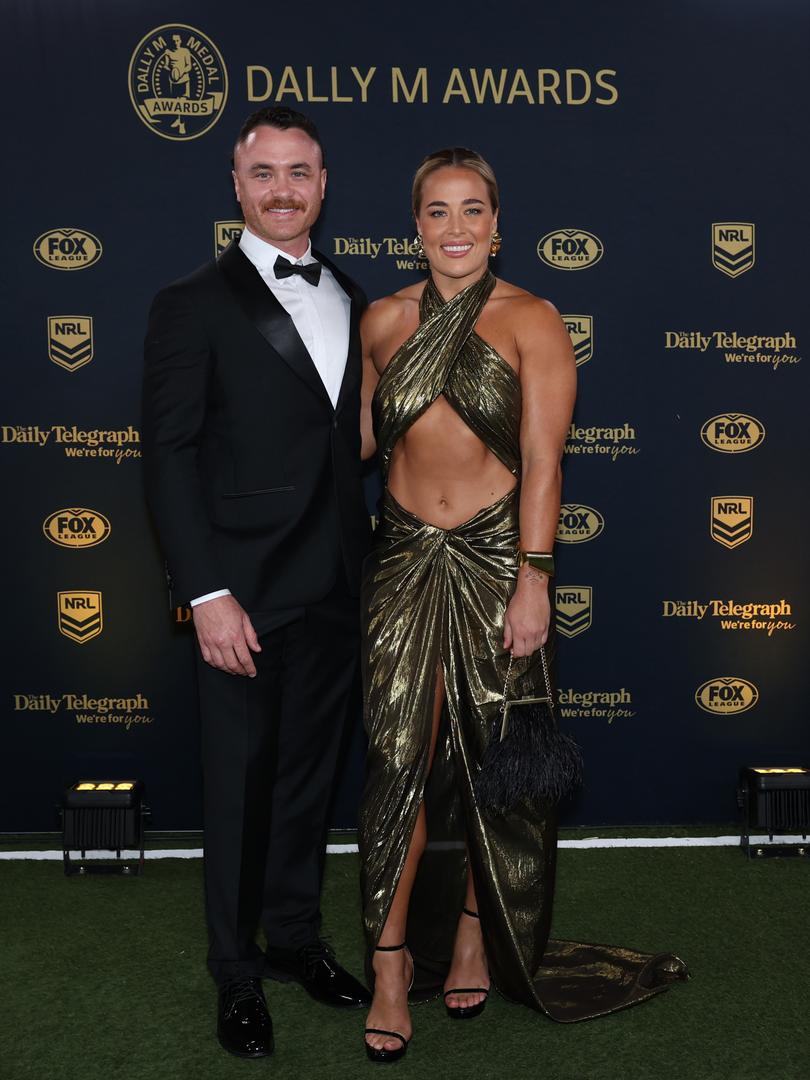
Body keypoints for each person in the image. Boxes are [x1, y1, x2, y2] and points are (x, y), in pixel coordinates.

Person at [357, 148, 687, 1063]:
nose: (455, 228)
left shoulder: (534, 319)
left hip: (502, 560)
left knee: (500, 766)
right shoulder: (380, 321)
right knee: (394, 761)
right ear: (414, 226)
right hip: (400, 561)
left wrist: (535, 575)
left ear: (497, 225)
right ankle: (389, 963)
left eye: (472, 210)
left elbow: (545, 460)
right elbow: (351, 445)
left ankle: (474, 932)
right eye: (436, 211)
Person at [142, 106, 372, 1060]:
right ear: (236, 187)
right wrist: (204, 594)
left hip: (335, 587)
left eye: (300, 172)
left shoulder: (352, 291)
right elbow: (168, 456)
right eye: (264, 172)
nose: (283, 188)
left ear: (323, 185)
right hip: (240, 591)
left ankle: (299, 939)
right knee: (238, 789)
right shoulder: (190, 300)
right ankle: (236, 976)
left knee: (307, 786)